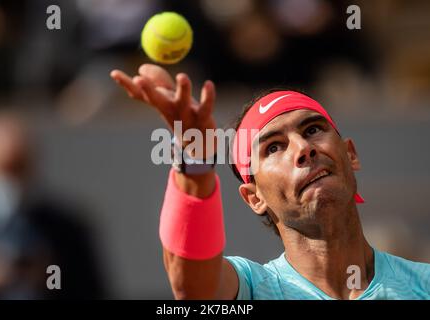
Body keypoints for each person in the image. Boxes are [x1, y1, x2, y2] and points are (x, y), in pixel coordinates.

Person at [110, 64, 430, 300]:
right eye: (273, 147)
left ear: (351, 155)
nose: (303, 149)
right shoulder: (249, 289)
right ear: (254, 198)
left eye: (313, 130)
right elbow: (191, 287)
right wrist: (195, 156)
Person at [0, 112, 104, 299]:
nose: (9, 181)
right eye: (4, 168)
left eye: (18, 167)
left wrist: (51, 275)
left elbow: (92, 288)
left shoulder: (66, 229)